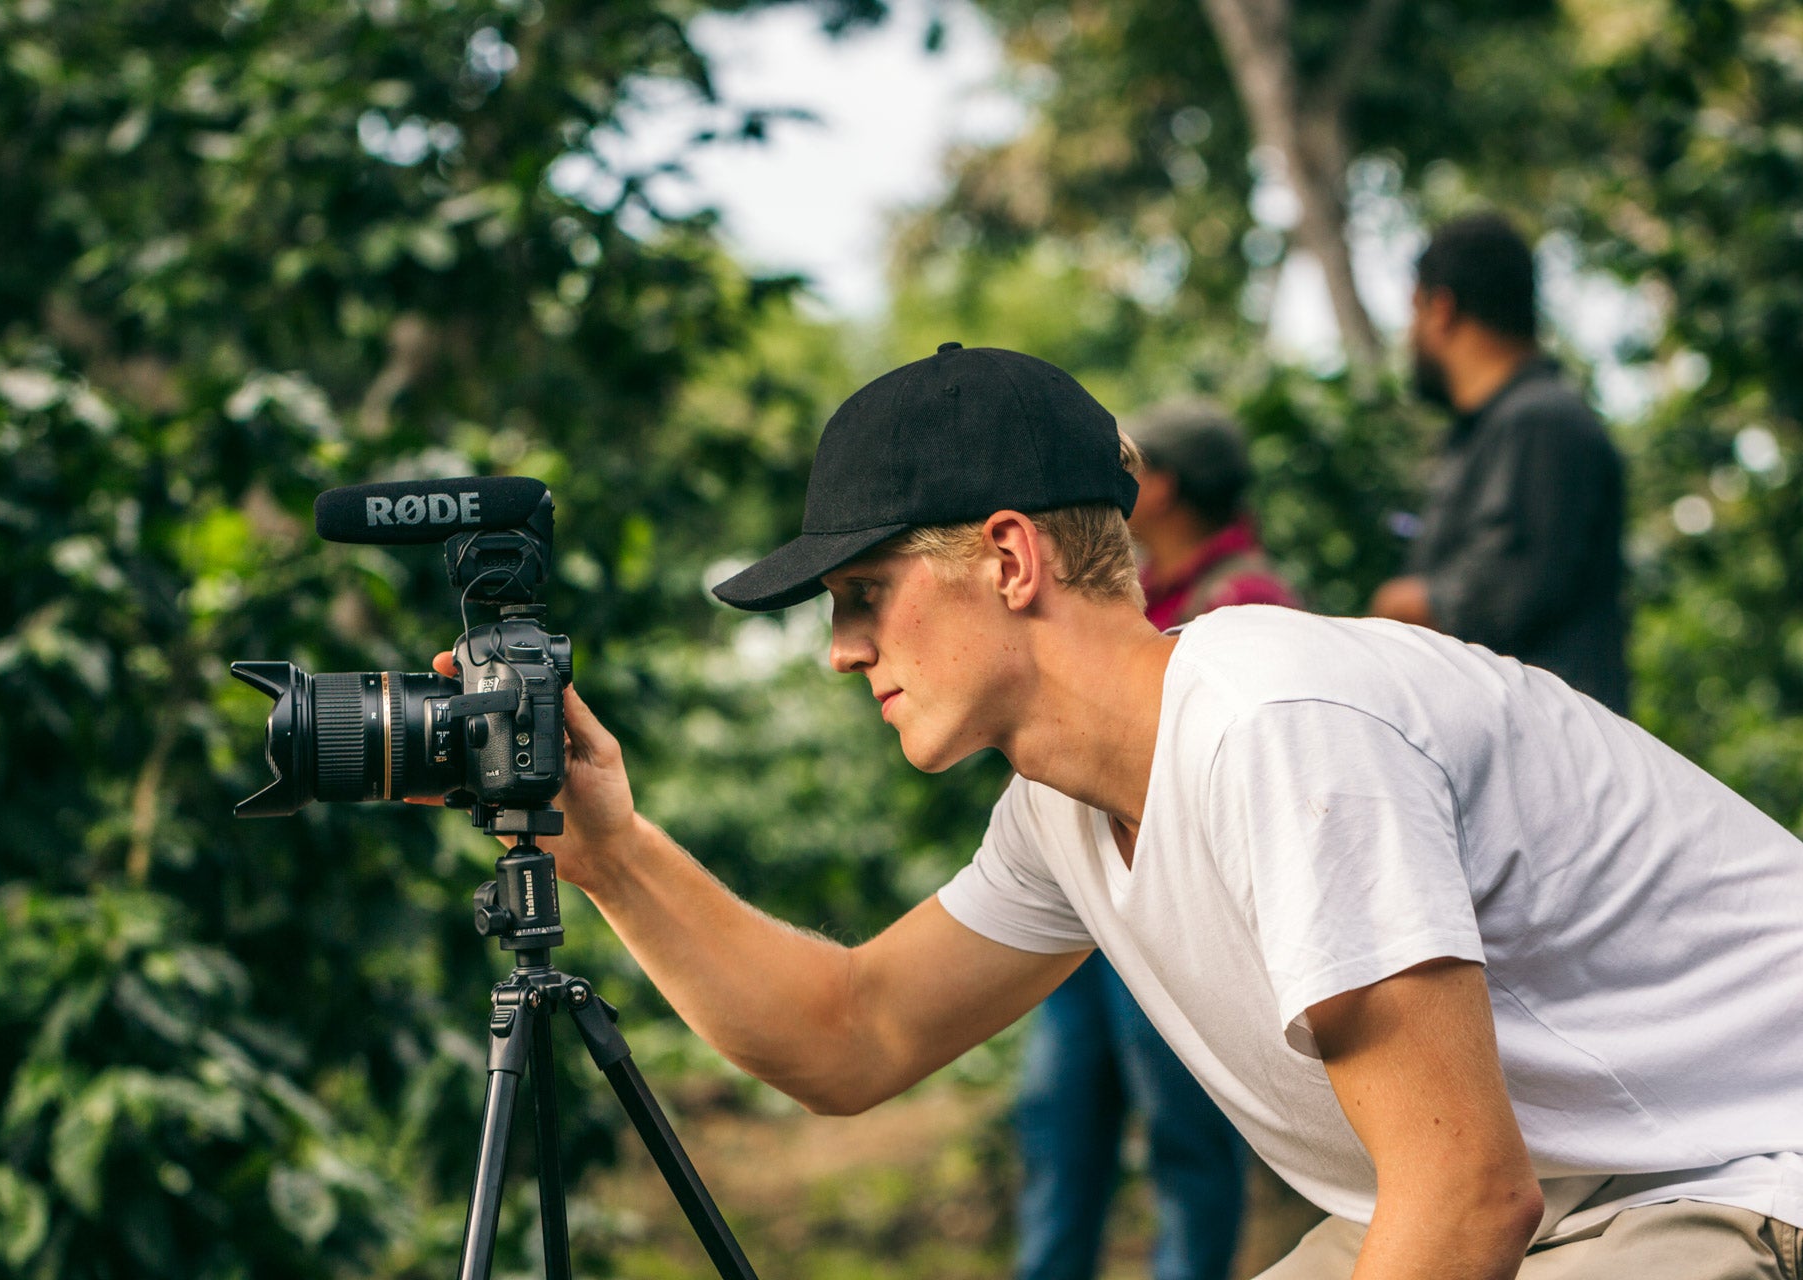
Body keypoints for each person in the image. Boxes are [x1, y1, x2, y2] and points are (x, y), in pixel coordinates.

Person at [442, 342, 1803, 1278]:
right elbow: (849, 1036)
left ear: (1009, 556)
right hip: (1566, 1196)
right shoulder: (1064, 813)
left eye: (861, 595)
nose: (842, 649)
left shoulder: (1275, 722)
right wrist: (604, 843)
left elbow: (1465, 1201)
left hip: (1735, 1168)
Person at [1013, 400, 1295, 1280]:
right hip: (1086, 911)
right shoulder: (1128, 588)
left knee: (1183, 1136)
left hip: (1173, 913)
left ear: (1160, 486)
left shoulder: (1245, 599)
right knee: (1059, 1121)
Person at [1369, 212, 1630, 713]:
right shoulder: (1488, 431)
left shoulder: (1540, 423)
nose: (1410, 334)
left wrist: (1399, 606)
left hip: (1548, 764)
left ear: (1440, 308)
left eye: (1413, 313)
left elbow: (1497, 597)